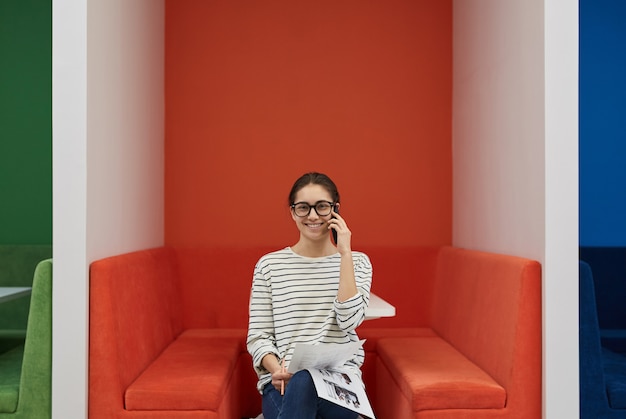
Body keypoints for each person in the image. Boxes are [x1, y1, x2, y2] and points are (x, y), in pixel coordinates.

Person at [247, 172, 373, 419]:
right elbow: (258, 336)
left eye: (322, 207)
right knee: (301, 380)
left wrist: (345, 254)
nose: (313, 216)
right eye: (304, 208)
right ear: (293, 212)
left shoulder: (357, 263)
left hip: (338, 385)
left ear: (335, 210)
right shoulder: (269, 266)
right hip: (284, 383)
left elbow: (350, 321)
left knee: (306, 379)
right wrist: (277, 369)